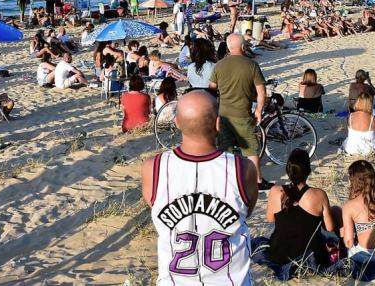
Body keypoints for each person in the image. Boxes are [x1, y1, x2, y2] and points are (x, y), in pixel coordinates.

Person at [141, 90, 258, 285]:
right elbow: (247, 211)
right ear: (218, 123)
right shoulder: (243, 168)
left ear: (177, 122)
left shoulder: (152, 168)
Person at [252, 149, 339, 275]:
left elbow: (270, 218)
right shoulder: (319, 194)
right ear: (308, 171)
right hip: (311, 255)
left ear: (288, 170)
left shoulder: (276, 191)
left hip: (280, 255)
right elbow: (330, 227)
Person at [209, 33, 270, 189]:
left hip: (224, 115)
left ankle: (227, 181)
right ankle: (257, 180)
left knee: (226, 150)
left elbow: (212, 88)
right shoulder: (251, 65)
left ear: (229, 48)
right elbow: (262, 92)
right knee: (251, 149)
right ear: (243, 47)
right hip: (243, 114)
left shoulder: (219, 65)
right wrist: (259, 110)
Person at [343, 91, 375, 155]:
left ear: (357, 102)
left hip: (351, 148)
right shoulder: (373, 118)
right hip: (369, 149)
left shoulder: (350, 115)